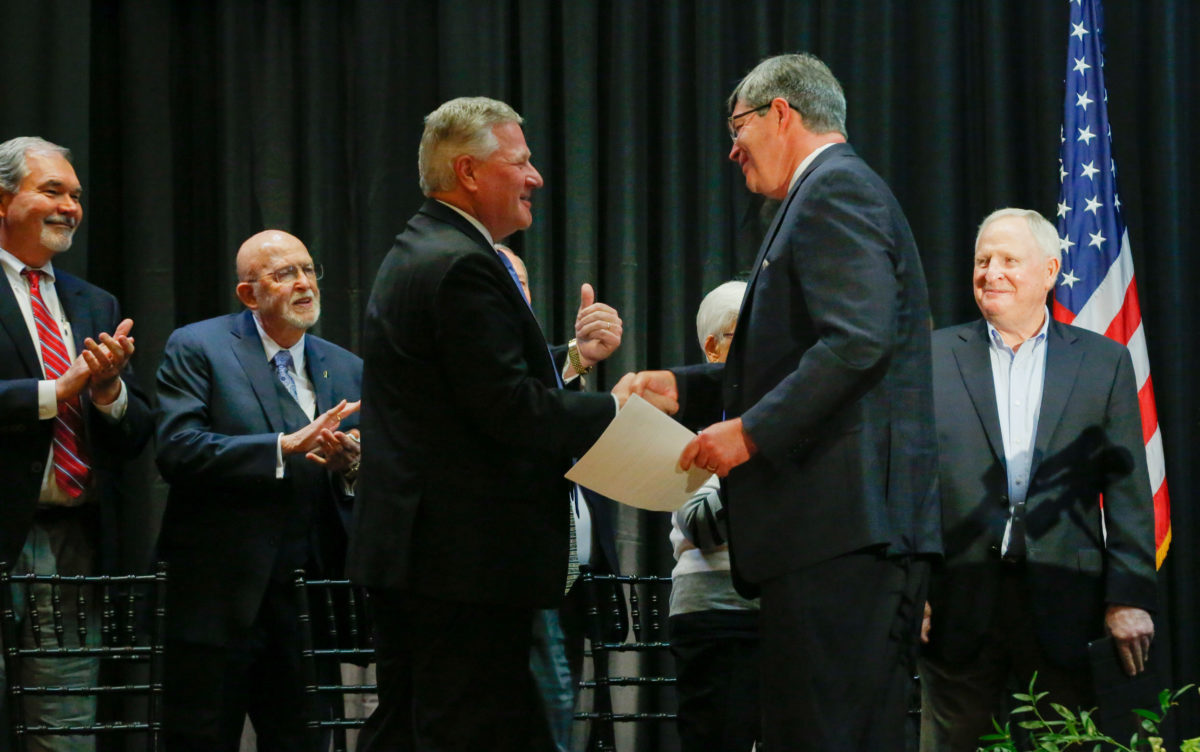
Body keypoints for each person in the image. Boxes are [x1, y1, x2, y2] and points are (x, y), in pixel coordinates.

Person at [617, 53, 940, 750]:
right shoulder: (827, 193)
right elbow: (801, 353)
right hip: (836, 534)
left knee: (830, 734)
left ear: (781, 113)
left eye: (738, 126)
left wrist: (751, 433)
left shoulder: (833, 191)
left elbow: (857, 342)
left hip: (847, 533)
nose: (732, 149)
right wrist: (688, 385)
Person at [346, 96, 657, 752]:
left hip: (423, 558)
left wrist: (573, 363)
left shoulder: (422, 247)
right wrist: (618, 410)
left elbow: (467, 389)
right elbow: (509, 408)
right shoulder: (462, 264)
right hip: (461, 565)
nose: (536, 177)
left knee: (404, 724)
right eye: (521, 161)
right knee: (464, 728)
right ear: (468, 171)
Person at [919, 208, 1156, 751]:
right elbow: (909, 486)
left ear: (1050, 271)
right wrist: (913, 592)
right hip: (956, 609)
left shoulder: (1104, 363)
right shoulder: (930, 360)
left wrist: (1128, 596)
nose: (991, 272)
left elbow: (1128, 492)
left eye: (1008, 260)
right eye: (982, 260)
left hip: (1066, 612)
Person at [154, 229, 363, 752]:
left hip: (309, 604)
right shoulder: (199, 345)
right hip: (219, 598)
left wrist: (351, 466)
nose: (304, 284)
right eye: (284, 273)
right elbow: (178, 448)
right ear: (248, 294)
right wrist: (280, 446)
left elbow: (370, 475)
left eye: (309, 270)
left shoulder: (347, 366)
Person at [0, 136, 154, 750]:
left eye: (77, 195)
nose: (70, 206)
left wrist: (106, 390)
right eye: (52, 191)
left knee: (64, 732)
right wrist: (55, 390)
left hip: (70, 544)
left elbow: (136, 429)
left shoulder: (96, 302)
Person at [494, 244, 627, 752]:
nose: (518, 290)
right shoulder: (478, 366)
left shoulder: (543, 367)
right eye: (504, 278)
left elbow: (544, 377)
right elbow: (519, 398)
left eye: (523, 280)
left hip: (569, 580)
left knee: (559, 721)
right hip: (506, 583)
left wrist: (579, 354)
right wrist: (575, 358)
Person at [668, 280, 761, 752]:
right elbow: (700, 523)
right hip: (716, 615)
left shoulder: (782, 416)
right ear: (713, 347)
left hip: (784, 612)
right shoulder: (688, 422)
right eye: (747, 337)